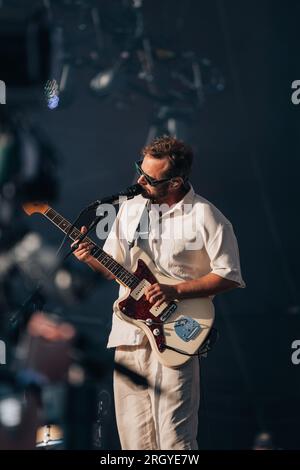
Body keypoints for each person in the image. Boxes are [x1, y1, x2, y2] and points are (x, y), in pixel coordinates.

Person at [72, 135, 245, 450]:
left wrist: (174, 290)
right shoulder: (131, 210)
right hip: (129, 335)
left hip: (176, 335)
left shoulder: (205, 215)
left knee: (174, 440)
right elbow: (118, 269)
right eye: (140, 170)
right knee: (134, 442)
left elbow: (230, 275)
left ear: (176, 182)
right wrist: (90, 258)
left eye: (150, 179)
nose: (140, 180)